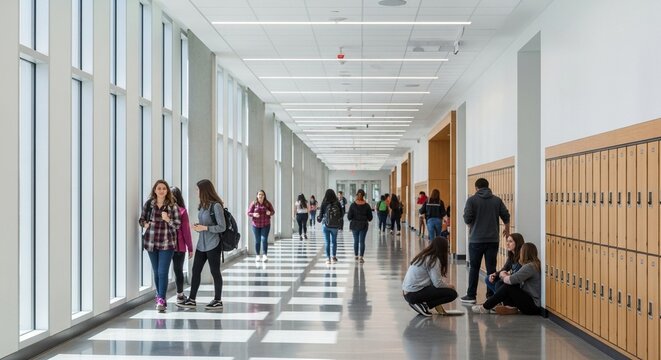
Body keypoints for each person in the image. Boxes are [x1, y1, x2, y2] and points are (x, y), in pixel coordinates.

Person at [177, 179, 226, 311]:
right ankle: (192, 300)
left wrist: (204, 228)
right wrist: (198, 227)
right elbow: (206, 225)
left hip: (213, 244)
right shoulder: (203, 206)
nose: (196, 192)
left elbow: (222, 227)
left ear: (204, 190)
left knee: (215, 272)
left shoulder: (216, 206)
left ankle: (217, 300)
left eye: (198, 189)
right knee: (195, 270)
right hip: (201, 244)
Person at [461, 178, 510, 303]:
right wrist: (507, 228)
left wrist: (471, 223)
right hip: (493, 240)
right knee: (491, 268)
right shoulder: (497, 200)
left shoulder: (471, 200)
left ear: (476, 188)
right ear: (488, 187)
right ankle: (491, 295)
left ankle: (471, 295)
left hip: (476, 240)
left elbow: (467, 218)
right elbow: (506, 215)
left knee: (474, 268)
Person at [139, 180, 181, 312]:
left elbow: (177, 225)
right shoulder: (149, 204)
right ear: (155, 190)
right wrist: (144, 224)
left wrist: (167, 219)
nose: (161, 190)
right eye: (159, 188)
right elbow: (141, 219)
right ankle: (159, 296)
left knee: (163, 272)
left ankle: (161, 299)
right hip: (151, 242)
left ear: (167, 191)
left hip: (167, 243)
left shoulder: (172, 206)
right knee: (156, 272)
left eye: (164, 188)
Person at [472, 243, 542, 315]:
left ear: (524, 253)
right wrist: (506, 275)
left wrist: (502, 275)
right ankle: (508, 307)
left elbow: (511, 280)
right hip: (530, 302)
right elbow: (516, 278)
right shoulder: (534, 264)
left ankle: (485, 307)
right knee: (507, 286)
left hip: (533, 306)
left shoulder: (529, 267)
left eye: (521, 252)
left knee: (507, 287)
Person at [402, 236, 458, 316]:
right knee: (452, 293)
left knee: (443, 289)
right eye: (447, 247)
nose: (448, 250)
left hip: (408, 292)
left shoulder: (425, 255)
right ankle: (424, 305)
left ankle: (422, 304)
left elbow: (433, 282)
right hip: (413, 294)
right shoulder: (433, 259)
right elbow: (437, 284)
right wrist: (449, 286)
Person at [170, 186, 194, 305]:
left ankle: (160, 297)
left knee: (163, 271)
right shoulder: (182, 211)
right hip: (179, 247)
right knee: (178, 271)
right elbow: (186, 231)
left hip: (165, 246)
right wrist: (190, 248)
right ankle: (179, 296)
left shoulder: (165, 210)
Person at [247, 190, 275, 262]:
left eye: (262, 194)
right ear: (257, 196)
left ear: (264, 196)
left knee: (264, 239)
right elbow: (248, 212)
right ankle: (257, 255)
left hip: (266, 224)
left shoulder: (267, 203)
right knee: (257, 240)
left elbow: (273, 211)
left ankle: (265, 255)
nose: (261, 196)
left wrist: (269, 213)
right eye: (259, 194)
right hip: (256, 225)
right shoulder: (254, 203)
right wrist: (253, 214)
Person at [347, 189, 373, 263]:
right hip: (364, 225)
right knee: (362, 241)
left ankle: (356, 256)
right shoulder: (367, 205)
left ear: (356, 195)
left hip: (354, 225)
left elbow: (349, 217)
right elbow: (370, 218)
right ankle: (361, 257)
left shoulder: (353, 205)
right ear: (364, 196)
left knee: (356, 241)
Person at [318, 189, 342, 264]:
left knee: (327, 242)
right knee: (334, 241)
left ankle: (328, 258)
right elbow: (342, 213)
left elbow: (320, 214)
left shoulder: (324, 202)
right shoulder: (337, 202)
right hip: (335, 225)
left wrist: (320, 218)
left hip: (326, 224)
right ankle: (334, 257)